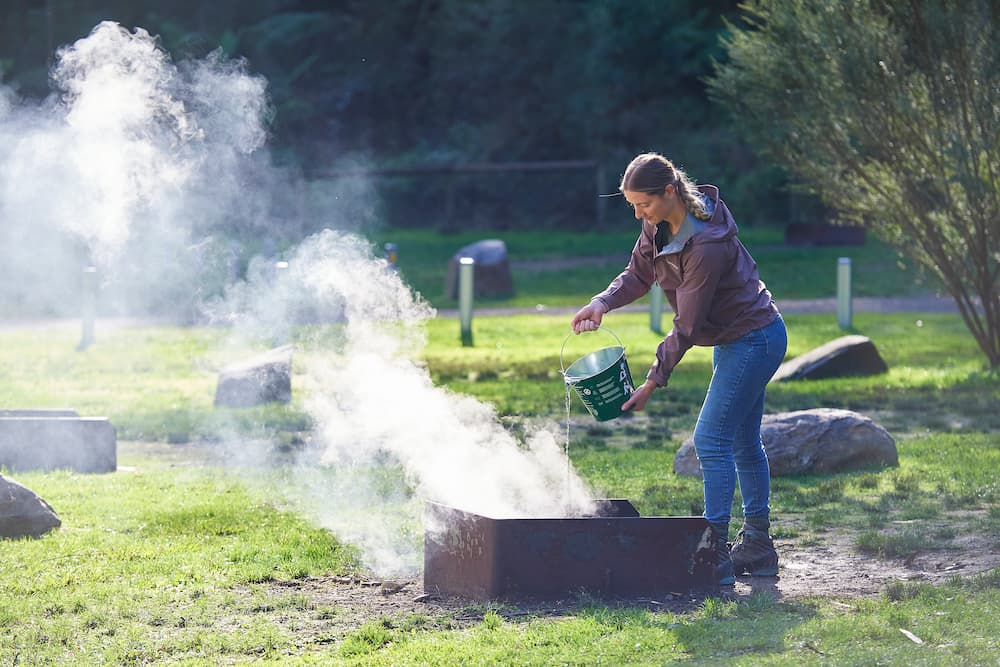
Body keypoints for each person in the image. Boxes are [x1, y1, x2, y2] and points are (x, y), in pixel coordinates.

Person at [571, 152, 787, 585]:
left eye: (643, 204)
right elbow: (637, 273)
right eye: (632, 205)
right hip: (738, 339)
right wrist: (602, 302)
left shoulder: (706, 243)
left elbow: (687, 325)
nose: (638, 214)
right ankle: (758, 547)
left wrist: (652, 380)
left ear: (669, 192)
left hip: (755, 339)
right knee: (742, 441)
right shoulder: (657, 224)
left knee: (711, 439)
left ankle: (713, 554)